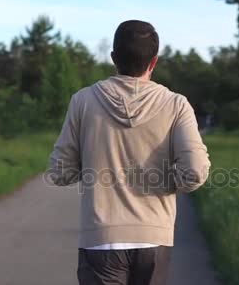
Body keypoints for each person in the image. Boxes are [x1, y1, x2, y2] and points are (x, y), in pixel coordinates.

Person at [46, 20, 210, 285]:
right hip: (154, 238)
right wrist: (160, 180)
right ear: (153, 61)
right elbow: (195, 172)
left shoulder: (83, 101)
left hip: (100, 240)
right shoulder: (176, 105)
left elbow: (59, 171)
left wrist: (93, 165)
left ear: (114, 58)